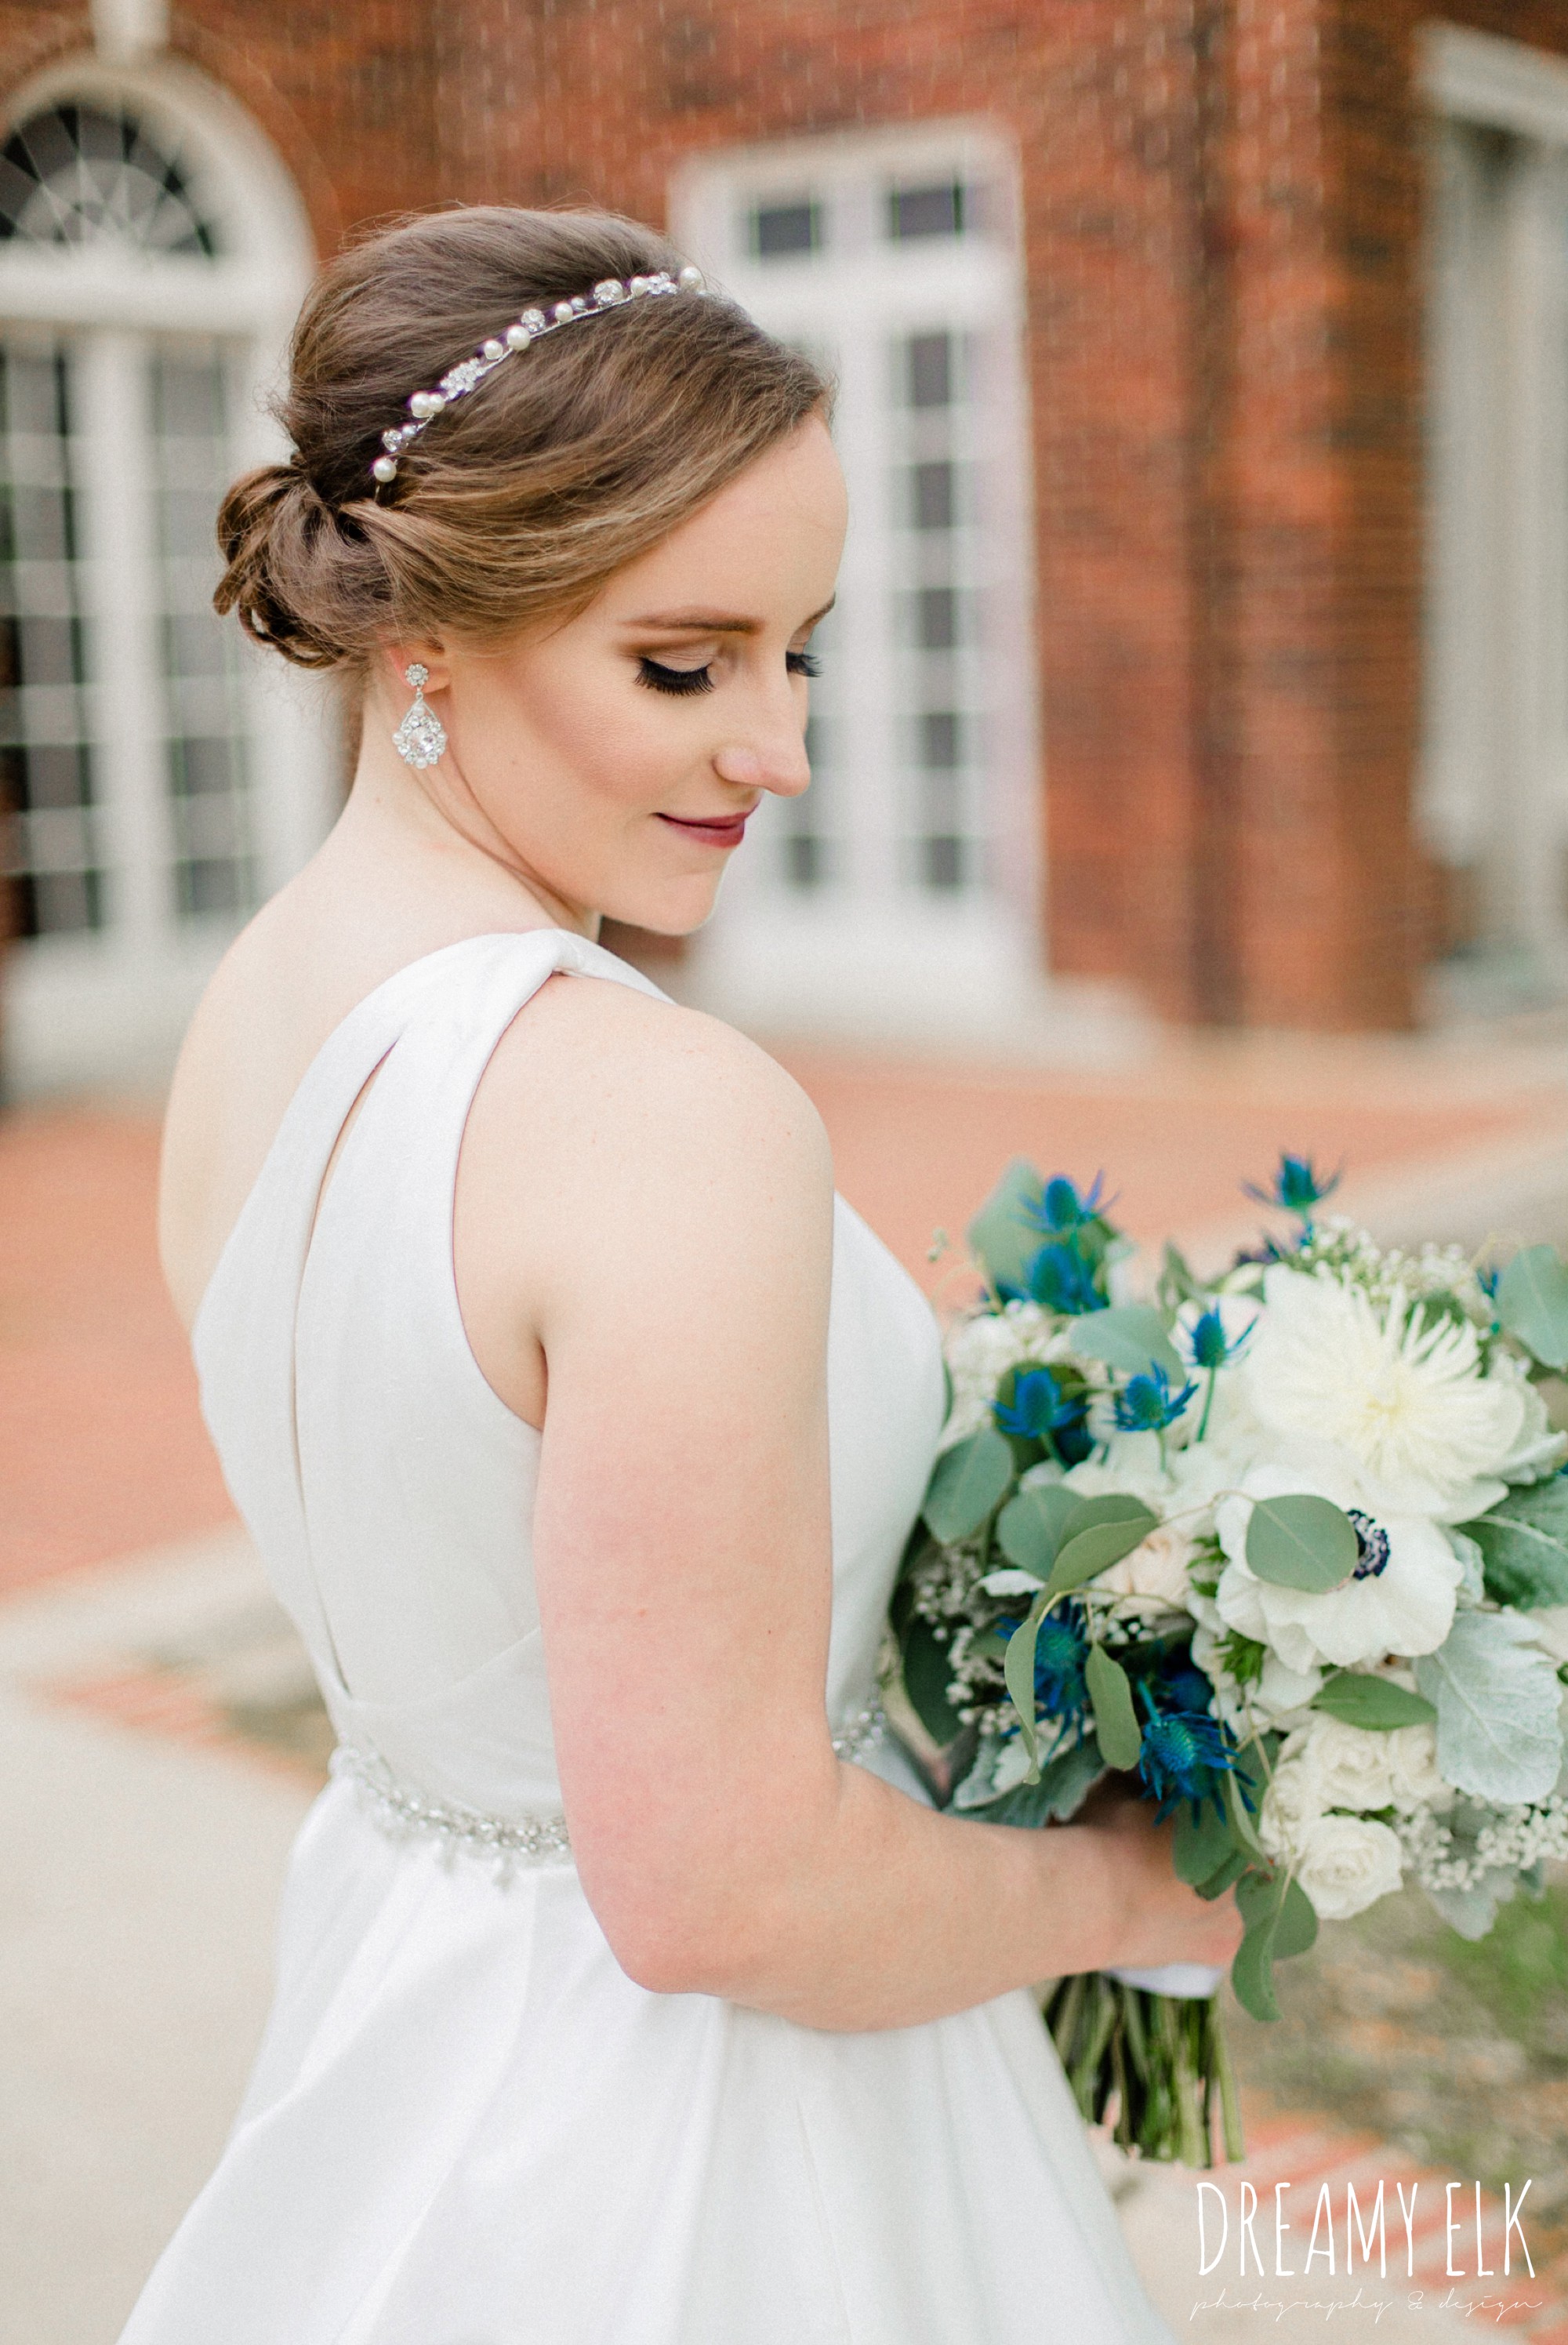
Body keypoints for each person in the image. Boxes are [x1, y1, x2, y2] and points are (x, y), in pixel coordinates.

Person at [136, 206, 1239, 2345]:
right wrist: (1132, 1884)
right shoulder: (657, 1112)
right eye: (686, 663)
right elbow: (727, 1892)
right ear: (425, 632)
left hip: (410, 2043)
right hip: (706, 2160)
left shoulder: (256, 1019)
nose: (784, 750)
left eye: (799, 648)